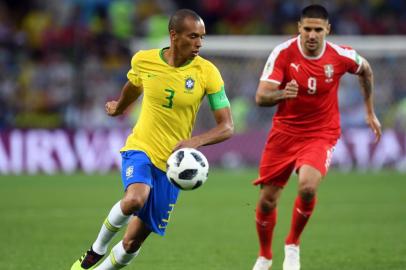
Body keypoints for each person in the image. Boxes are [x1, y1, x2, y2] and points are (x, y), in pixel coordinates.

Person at [71, 9, 233, 270]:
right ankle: (95, 251)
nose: (199, 44)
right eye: (193, 36)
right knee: (135, 198)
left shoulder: (207, 73)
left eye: (202, 37)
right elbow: (133, 85)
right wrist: (120, 107)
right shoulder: (144, 60)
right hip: (141, 147)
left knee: (132, 243)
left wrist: (196, 141)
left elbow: (227, 127)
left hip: (172, 166)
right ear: (173, 35)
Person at [252, 4, 381, 270]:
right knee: (267, 200)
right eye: (307, 29)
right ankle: (265, 256)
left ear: (327, 30)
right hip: (284, 133)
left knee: (308, 187)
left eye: (318, 30)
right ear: (299, 28)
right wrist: (281, 94)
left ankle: (292, 244)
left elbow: (366, 70)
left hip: (321, 132)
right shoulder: (283, 53)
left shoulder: (340, 55)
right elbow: (261, 97)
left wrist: (370, 111)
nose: (312, 35)